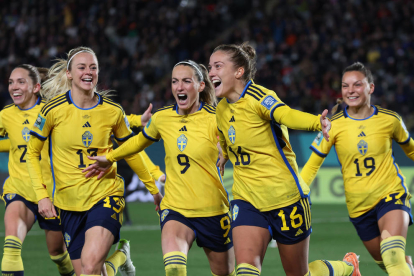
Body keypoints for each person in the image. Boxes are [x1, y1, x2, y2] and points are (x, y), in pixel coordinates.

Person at [209, 42, 360, 276]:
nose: (211, 73)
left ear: (238, 71)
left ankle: (347, 268)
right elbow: (227, 137)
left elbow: (285, 114)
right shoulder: (220, 110)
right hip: (246, 199)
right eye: (210, 67)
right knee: (245, 271)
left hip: (286, 199)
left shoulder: (259, 97)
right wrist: (224, 153)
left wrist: (315, 123)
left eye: (218, 66)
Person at [83, 60, 235, 276]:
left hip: (213, 211)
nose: (179, 87)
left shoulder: (216, 118)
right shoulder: (163, 118)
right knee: (173, 269)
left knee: (225, 273)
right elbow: (137, 143)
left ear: (201, 86)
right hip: (175, 209)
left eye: (186, 81)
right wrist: (110, 157)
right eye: (174, 82)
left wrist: (226, 149)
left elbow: (233, 143)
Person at [26, 46, 162, 276]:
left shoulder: (112, 111)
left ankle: (114, 259)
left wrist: (153, 188)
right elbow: (32, 153)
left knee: (89, 267)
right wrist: (41, 196)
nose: (88, 71)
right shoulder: (52, 110)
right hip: (68, 204)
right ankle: (119, 258)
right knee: (91, 272)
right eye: (82, 67)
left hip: (105, 195)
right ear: (69, 74)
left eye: (93, 67)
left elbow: (131, 150)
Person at [301, 62, 414, 276]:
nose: (350, 90)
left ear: (371, 88)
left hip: (391, 195)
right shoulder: (332, 125)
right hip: (359, 208)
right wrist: (295, 194)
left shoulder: (390, 120)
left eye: (357, 85)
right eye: (345, 86)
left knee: (393, 259)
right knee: (388, 264)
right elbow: (312, 165)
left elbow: (412, 150)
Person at [0, 64, 74, 276]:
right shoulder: (6, 115)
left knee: (58, 254)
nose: (14, 87)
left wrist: (133, 121)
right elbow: (14, 142)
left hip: (53, 195)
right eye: (11, 82)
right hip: (20, 190)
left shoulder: (52, 113)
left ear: (35, 87)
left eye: (20, 82)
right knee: (11, 249)